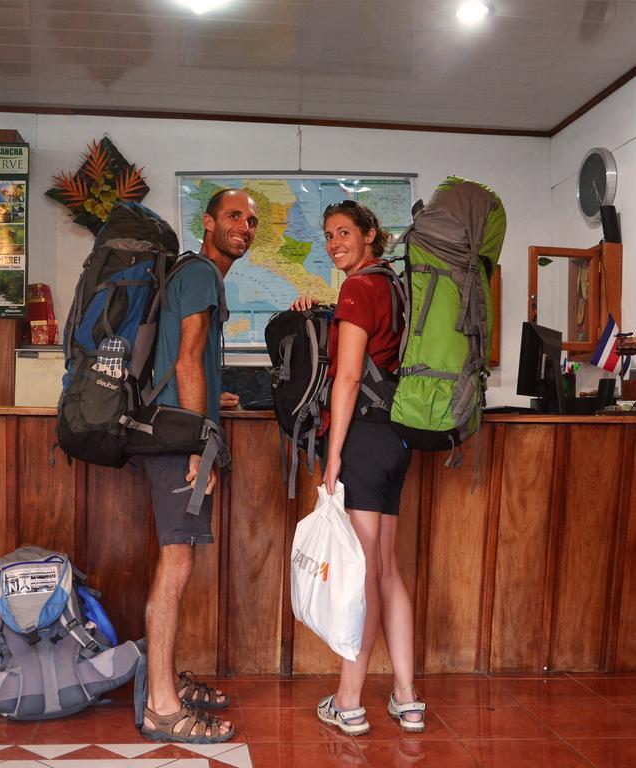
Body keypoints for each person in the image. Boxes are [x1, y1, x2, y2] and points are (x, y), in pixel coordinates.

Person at [291, 200, 425, 735]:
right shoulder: (393, 285)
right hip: (397, 441)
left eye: (344, 232)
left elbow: (347, 379)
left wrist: (335, 456)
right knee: (388, 570)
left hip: (363, 442)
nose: (333, 242)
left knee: (364, 575)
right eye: (328, 235)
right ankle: (407, 699)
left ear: (371, 234)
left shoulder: (357, 289)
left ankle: (348, 701)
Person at [139, 189, 258, 744]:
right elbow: (187, 357)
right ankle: (161, 707)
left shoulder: (195, 276)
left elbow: (191, 361)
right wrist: (198, 443)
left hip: (174, 429)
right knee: (177, 563)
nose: (246, 226)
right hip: (177, 442)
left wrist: (216, 398)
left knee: (177, 561)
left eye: (252, 220)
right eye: (235, 216)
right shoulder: (203, 274)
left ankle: (167, 683)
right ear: (208, 223)